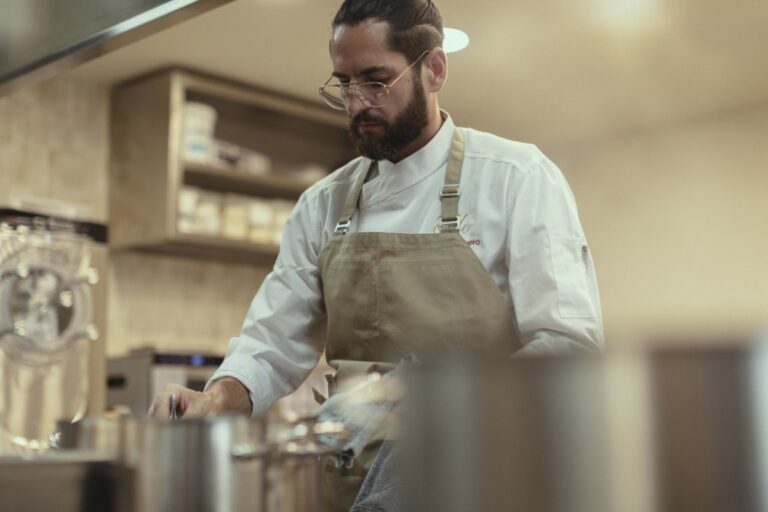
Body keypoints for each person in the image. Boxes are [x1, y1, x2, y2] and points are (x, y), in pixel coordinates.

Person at [149, 0, 604, 508]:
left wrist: (435, 394)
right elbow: (271, 341)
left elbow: (567, 348)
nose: (357, 102)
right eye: (344, 84)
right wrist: (216, 399)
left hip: (482, 476)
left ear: (434, 69)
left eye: (376, 80)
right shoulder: (322, 204)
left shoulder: (515, 177)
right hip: (352, 482)